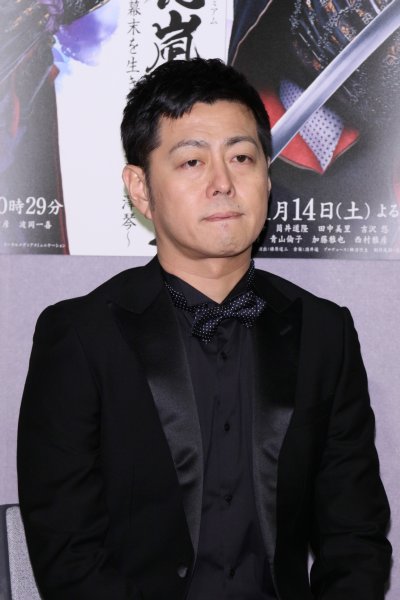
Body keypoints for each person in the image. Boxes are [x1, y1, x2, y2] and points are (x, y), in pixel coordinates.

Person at [17, 58, 391, 599]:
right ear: (140, 188)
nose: (223, 184)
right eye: (192, 162)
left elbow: (355, 537)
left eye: (241, 158)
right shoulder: (80, 336)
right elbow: (68, 554)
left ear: (267, 177)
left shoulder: (324, 332)